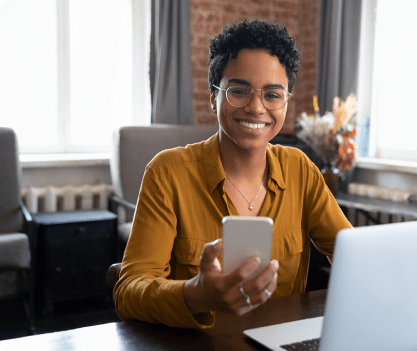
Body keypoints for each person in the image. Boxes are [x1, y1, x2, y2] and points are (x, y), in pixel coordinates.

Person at [113, 19, 352, 329]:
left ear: (287, 102)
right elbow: (128, 291)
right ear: (214, 96)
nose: (256, 107)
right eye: (238, 90)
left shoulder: (301, 169)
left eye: (273, 94)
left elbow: (352, 255)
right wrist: (195, 294)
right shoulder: (167, 172)